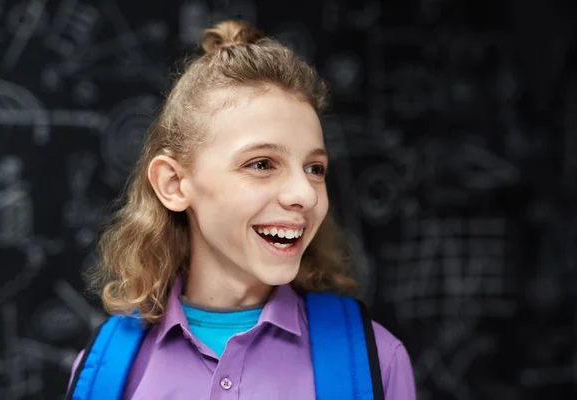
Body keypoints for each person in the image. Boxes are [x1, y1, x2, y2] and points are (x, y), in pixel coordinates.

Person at [66, 19, 416, 400]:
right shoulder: (104, 373)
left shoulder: (378, 363)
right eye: (262, 164)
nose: (306, 194)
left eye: (315, 169)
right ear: (174, 184)